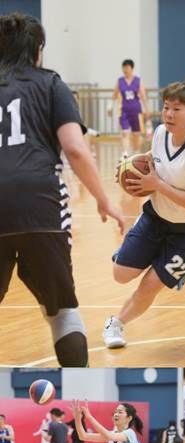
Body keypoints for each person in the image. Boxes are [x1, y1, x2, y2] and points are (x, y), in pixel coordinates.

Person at [0, 13, 124, 367]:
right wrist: (103, 199)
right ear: (38, 50)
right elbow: (75, 148)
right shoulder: (51, 83)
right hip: (40, 202)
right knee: (61, 312)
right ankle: (76, 385)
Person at [102, 80, 185, 349]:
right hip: (156, 216)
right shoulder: (159, 133)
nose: (168, 114)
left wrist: (156, 185)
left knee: (150, 285)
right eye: (166, 107)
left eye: (176, 109)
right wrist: (129, 166)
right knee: (120, 274)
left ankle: (116, 323)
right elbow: (152, 158)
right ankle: (142, 253)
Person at [109, 58, 150, 154]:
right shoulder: (120, 81)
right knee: (125, 132)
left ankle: (136, 152)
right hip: (124, 111)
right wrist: (110, 107)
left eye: (127, 68)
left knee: (136, 134)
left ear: (132, 68)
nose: (125, 70)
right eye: (123, 68)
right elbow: (114, 96)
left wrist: (147, 110)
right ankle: (125, 153)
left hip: (136, 111)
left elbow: (143, 97)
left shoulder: (138, 81)